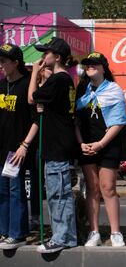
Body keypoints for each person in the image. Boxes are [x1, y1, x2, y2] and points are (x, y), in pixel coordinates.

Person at [28, 37, 78, 253]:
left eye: (46, 53)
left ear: (57, 57)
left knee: (58, 195)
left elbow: (31, 97)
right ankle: (68, 237)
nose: (42, 57)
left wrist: (33, 73)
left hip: (57, 146)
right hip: (61, 143)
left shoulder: (57, 79)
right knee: (62, 194)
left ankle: (60, 238)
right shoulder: (65, 79)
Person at [75, 52, 126, 247]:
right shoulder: (81, 89)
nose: (90, 66)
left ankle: (116, 233)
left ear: (104, 68)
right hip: (86, 145)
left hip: (108, 145)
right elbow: (76, 122)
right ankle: (94, 232)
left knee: (108, 188)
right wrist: (81, 143)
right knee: (92, 189)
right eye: (88, 64)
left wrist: (101, 144)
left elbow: (119, 122)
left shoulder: (114, 89)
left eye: (95, 64)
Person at [0, 44, 38, 250]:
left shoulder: (26, 86)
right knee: (2, 192)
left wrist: (25, 145)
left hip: (16, 150)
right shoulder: (1, 85)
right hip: (1, 149)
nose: (1, 65)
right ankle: (4, 232)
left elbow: (36, 120)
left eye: (4, 61)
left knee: (15, 191)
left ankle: (18, 234)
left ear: (16, 63)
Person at [28, 62, 53, 231]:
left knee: (50, 183)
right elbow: (30, 100)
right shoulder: (34, 88)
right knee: (35, 182)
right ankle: (34, 217)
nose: (50, 71)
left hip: (51, 140)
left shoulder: (57, 86)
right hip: (34, 142)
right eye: (47, 68)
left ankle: (51, 220)